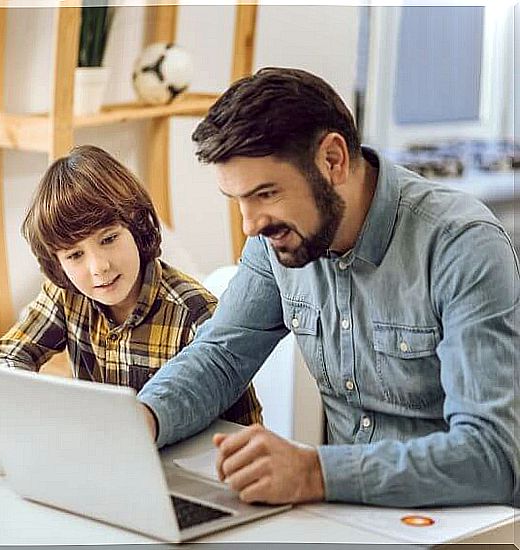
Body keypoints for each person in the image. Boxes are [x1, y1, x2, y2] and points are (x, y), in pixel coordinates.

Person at [137, 67, 519, 507]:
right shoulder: (276, 239)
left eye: (265, 194)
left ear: (332, 160)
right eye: (239, 200)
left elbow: (491, 456)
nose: (250, 223)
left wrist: (315, 472)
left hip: (457, 524)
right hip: (344, 516)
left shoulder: (462, 244)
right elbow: (221, 357)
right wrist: (143, 419)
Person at [0, 144, 262, 426]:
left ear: (137, 225)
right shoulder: (66, 294)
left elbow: (244, 431)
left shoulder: (193, 311)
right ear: (59, 264)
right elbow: (6, 356)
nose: (98, 267)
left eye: (109, 239)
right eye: (75, 255)